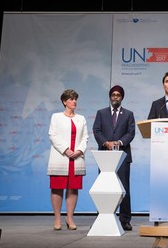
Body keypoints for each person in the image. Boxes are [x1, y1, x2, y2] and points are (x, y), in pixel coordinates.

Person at [93, 85, 135, 231]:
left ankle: (125, 220)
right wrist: (106, 143)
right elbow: (96, 130)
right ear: (110, 97)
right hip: (104, 156)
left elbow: (131, 133)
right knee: (104, 187)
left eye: (118, 95)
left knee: (123, 188)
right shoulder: (101, 113)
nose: (115, 97)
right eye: (113, 94)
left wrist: (118, 143)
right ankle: (102, 216)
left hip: (122, 156)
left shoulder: (129, 114)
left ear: (122, 97)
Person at [47, 89, 89, 231]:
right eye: (71, 99)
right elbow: (53, 135)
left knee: (73, 188)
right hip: (61, 156)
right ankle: (57, 218)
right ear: (64, 101)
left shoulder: (81, 118)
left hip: (76, 158)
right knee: (57, 187)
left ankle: (69, 218)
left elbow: (85, 137)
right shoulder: (56, 117)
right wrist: (66, 150)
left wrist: (79, 151)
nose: (74, 101)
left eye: (75, 99)